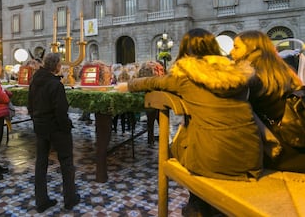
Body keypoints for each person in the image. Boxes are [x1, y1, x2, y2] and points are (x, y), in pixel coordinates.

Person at [118, 28, 262, 216]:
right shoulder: (238, 73)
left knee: (177, 143)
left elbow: (154, 82)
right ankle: (199, 207)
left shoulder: (185, 76)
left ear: (185, 50)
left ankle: (197, 207)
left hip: (212, 159)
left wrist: (127, 85)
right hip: (250, 157)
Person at [230, 30, 305, 172]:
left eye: (236, 47)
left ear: (252, 48)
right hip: (296, 140)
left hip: (278, 151)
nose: (231, 51)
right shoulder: (283, 68)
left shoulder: (249, 74)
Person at [28, 52, 80, 213]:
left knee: (41, 163)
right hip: (57, 128)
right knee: (66, 162)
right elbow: (61, 110)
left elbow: (30, 105)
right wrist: (66, 127)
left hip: (41, 126)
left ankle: (41, 200)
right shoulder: (55, 84)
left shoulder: (35, 81)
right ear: (57, 66)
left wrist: (36, 121)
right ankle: (70, 199)